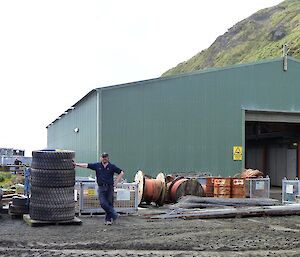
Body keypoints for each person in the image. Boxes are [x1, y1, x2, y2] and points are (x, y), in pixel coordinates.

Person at [75, 152, 124, 225]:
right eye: (103, 157)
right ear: (101, 158)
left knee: (109, 203)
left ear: (108, 158)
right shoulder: (97, 165)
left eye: (105, 157)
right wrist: (76, 164)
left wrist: (116, 182)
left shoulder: (112, 166)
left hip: (110, 187)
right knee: (103, 203)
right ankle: (114, 214)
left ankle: (108, 220)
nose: (104, 158)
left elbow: (121, 172)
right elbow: (86, 165)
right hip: (101, 187)